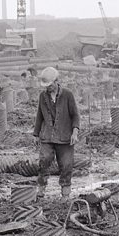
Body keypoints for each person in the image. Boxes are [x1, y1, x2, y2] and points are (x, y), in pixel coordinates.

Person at [32, 65, 80, 200]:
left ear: (56, 81)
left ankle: (65, 194)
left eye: (50, 84)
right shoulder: (43, 96)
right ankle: (40, 190)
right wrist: (36, 134)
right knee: (44, 161)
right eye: (46, 85)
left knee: (66, 165)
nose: (48, 87)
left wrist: (75, 132)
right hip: (47, 136)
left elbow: (75, 115)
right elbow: (39, 115)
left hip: (65, 137)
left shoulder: (68, 95)